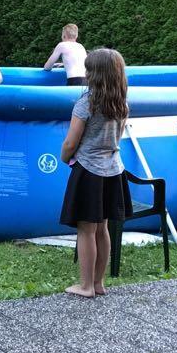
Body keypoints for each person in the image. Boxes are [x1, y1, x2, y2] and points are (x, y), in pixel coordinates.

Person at [59, 48, 130, 298]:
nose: (85, 73)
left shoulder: (86, 103)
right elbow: (117, 138)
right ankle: (99, 283)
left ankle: (86, 286)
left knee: (86, 230)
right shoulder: (121, 103)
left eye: (88, 69)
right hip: (113, 170)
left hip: (88, 171)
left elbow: (71, 142)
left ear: (96, 75)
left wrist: (65, 158)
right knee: (103, 228)